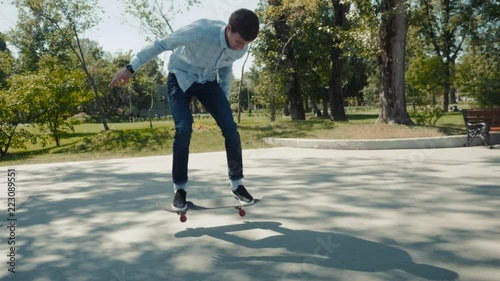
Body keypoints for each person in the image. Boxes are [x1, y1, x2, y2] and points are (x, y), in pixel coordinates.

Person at [109, 8, 259, 211]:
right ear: (229, 29)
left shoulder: (241, 48)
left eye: (245, 45)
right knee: (184, 129)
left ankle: (237, 184)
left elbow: (226, 67)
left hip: (207, 82)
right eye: (238, 42)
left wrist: (222, 100)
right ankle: (179, 189)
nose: (240, 48)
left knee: (230, 128)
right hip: (180, 77)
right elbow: (161, 44)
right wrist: (130, 69)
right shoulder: (201, 30)